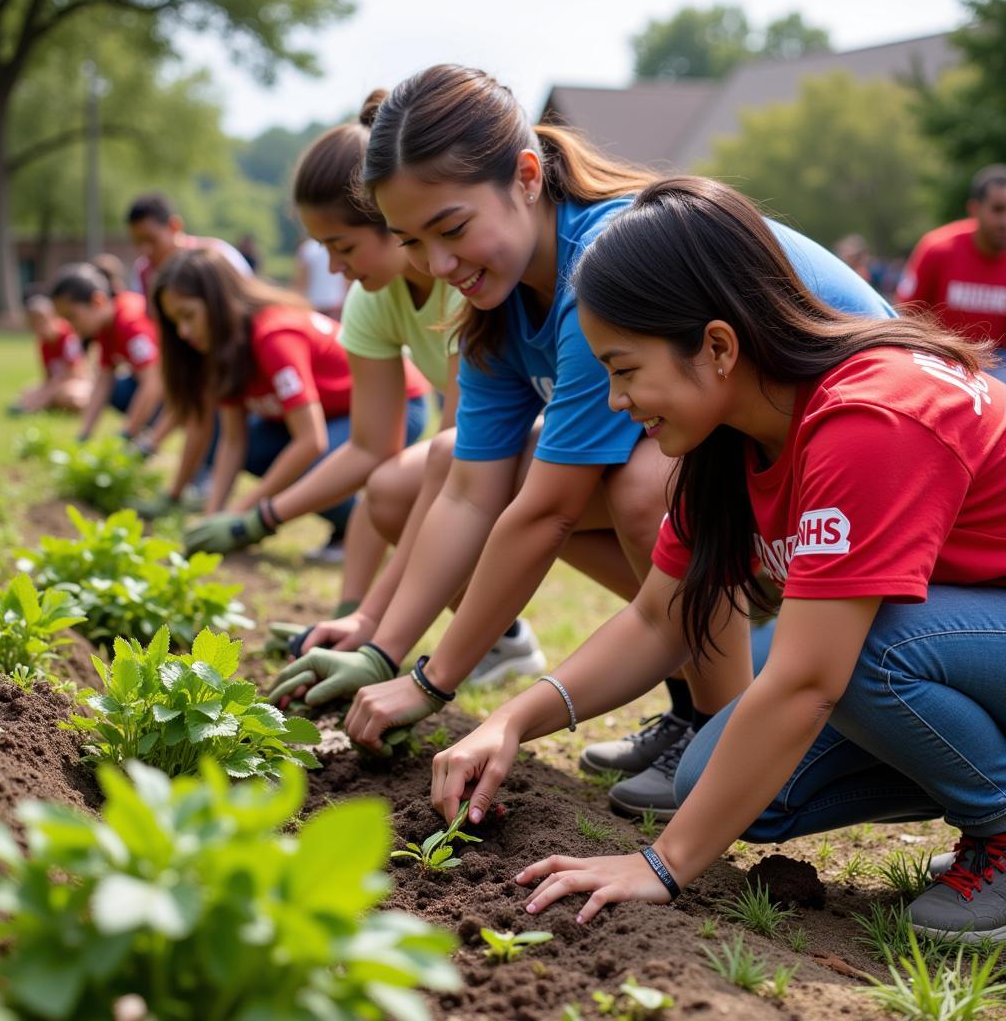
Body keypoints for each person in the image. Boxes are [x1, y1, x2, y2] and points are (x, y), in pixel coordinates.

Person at [269, 66, 892, 813]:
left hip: (864, 478)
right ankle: (698, 690)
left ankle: (725, 731)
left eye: (453, 228)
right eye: (410, 241)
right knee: (464, 470)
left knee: (636, 487)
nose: (438, 265)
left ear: (526, 176)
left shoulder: (605, 260)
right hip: (760, 488)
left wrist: (433, 682)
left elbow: (547, 511)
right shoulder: (494, 309)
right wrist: (381, 650)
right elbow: (473, 494)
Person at [428, 175, 1006, 945]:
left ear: (718, 346)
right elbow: (659, 619)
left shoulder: (868, 420)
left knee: (852, 655)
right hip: (968, 633)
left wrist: (663, 864)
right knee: (723, 782)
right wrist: (510, 720)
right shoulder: (732, 434)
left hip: (943, 635)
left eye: (625, 369)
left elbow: (808, 681)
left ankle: (996, 825)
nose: (613, 399)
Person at [185, 98, 487, 645]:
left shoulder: (462, 287)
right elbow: (370, 450)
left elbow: (452, 465)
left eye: (342, 246)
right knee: (387, 484)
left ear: (394, 223)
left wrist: (374, 635)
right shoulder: (371, 301)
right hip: (479, 453)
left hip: (515, 446)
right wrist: (349, 611)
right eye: (322, 249)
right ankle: (501, 638)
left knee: (410, 485)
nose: (332, 268)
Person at [152, 248, 424, 546]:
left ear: (218, 303)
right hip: (329, 415)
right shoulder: (224, 351)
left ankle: (366, 522)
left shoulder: (274, 336)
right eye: (176, 322)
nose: (183, 332)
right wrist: (214, 516)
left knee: (314, 465)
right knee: (256, 449)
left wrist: (241, 519)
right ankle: (347, 519)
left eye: (188, 315)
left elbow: (311, 440)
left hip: (395, 405)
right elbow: (233, 442)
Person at [897, 164, 1006, 375]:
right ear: (975, 209)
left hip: (996, 365)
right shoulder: (937, 249)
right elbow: (906, 316)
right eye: (997, 210)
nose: (1004, 221)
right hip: (938, 358)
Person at [49, 263, 162, 442]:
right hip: (157, 383)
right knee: (116, 389)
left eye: (72, 316)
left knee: (126, 389)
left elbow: (153, 381)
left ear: (97, 302)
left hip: (174, 386)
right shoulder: (106, 327)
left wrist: (126, 433)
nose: (71, 326)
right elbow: (103, 381)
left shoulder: (129, 323)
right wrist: (83, 434)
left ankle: (147, 437)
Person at [126, 192, 251, 303]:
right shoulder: (142, 272)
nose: (145, 250)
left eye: (151, 240)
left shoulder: (218, 255)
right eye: (138, 242)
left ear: (174, 226)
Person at [11, 293, 92, 414]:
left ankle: (43, 405)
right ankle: (45, 403)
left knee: (70, 398)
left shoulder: (67, 337)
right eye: (34, 324)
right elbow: (47, 376)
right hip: (56, 384)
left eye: (42, 322)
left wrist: (44, 395)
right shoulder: (43, 343)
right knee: (27, 391)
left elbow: (75, 373)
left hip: (76, 383)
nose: (39, 328)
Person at [294, 239, 348, 321]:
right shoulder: (342, 245)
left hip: (313, 307)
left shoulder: (307, 248)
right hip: (336, 307)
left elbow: (300, 284)